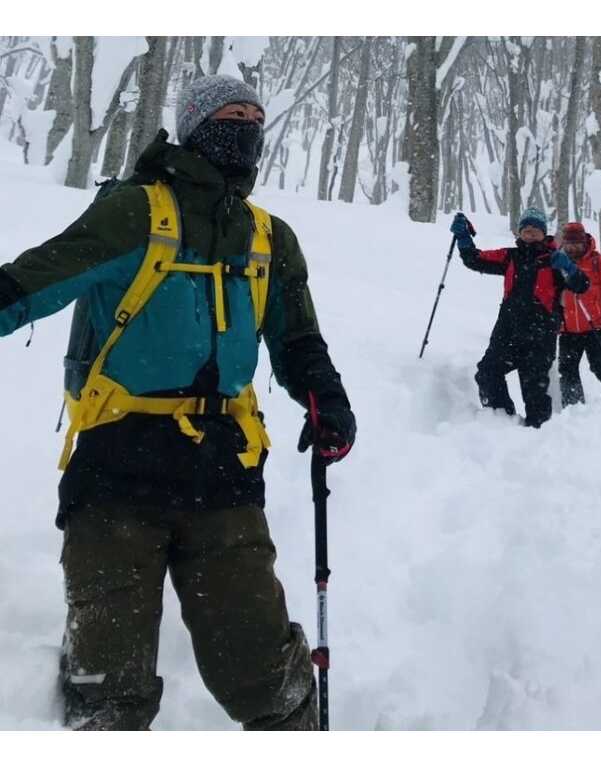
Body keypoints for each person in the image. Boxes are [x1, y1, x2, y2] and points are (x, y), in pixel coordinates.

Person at [0, 75, 356, 730]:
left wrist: (324, 397)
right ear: (195, 126)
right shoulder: (134, 211)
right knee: (109, 690)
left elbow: (298, 338)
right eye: (232, 113)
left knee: (259, 675)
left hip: (221, 474)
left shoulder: (270, 238)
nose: (247, 124)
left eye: (256, 115)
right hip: (116, 474)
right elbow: (33, 281)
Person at [451, 207, 589, 427]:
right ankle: (502, 423)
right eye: (526, 228)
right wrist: (463, 237)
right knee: (487, 373)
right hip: (507, 332)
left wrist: (568, 269)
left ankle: (538, 437)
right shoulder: (509, 256)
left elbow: (582, 285)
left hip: (540, 338)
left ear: (544, 233)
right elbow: (474, 259)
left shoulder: (555, 260)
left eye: (536, 228)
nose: (531, 232)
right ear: (519, 233)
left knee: (535, 393)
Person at [557, 222, 601, 407]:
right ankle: (573, 407)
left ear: (584, 242)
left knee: (600, 365)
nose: (573, 248)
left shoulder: (597, 261)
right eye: (569, 244)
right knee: (567, 369)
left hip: (597, 326)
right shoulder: (556, 263)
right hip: (567, 329)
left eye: (577, 244)